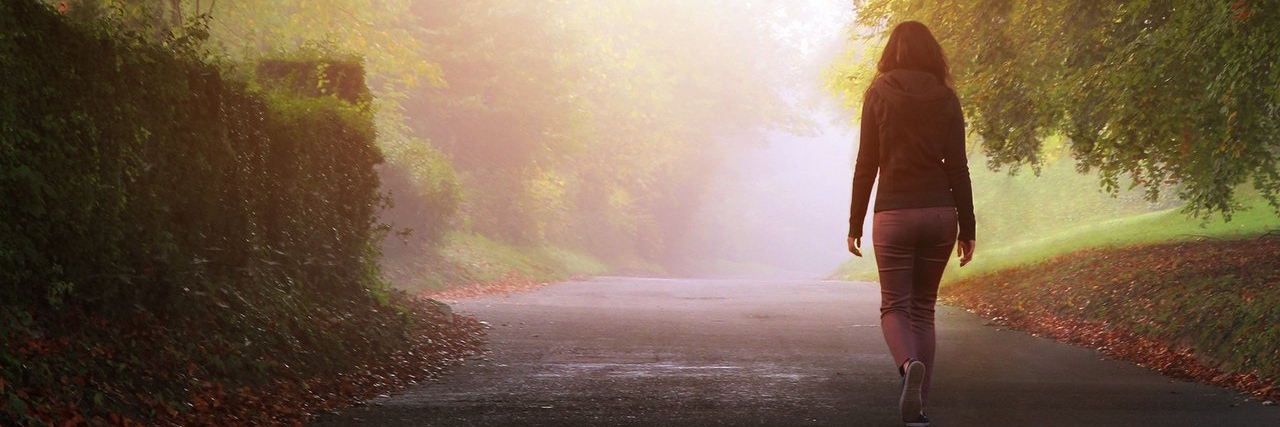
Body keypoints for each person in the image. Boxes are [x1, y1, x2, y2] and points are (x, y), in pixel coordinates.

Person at [846, 20, 976, 427]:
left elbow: (867, 163)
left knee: (894, 307)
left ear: (892, 52)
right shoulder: (946, 98)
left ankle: (908, 367)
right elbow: (958, 167)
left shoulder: (878, 94)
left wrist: (855, 222)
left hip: (895, 212)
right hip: (940, 213)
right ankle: (918, 410)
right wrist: (967, 228)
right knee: (923, 309)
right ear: (931, 52)